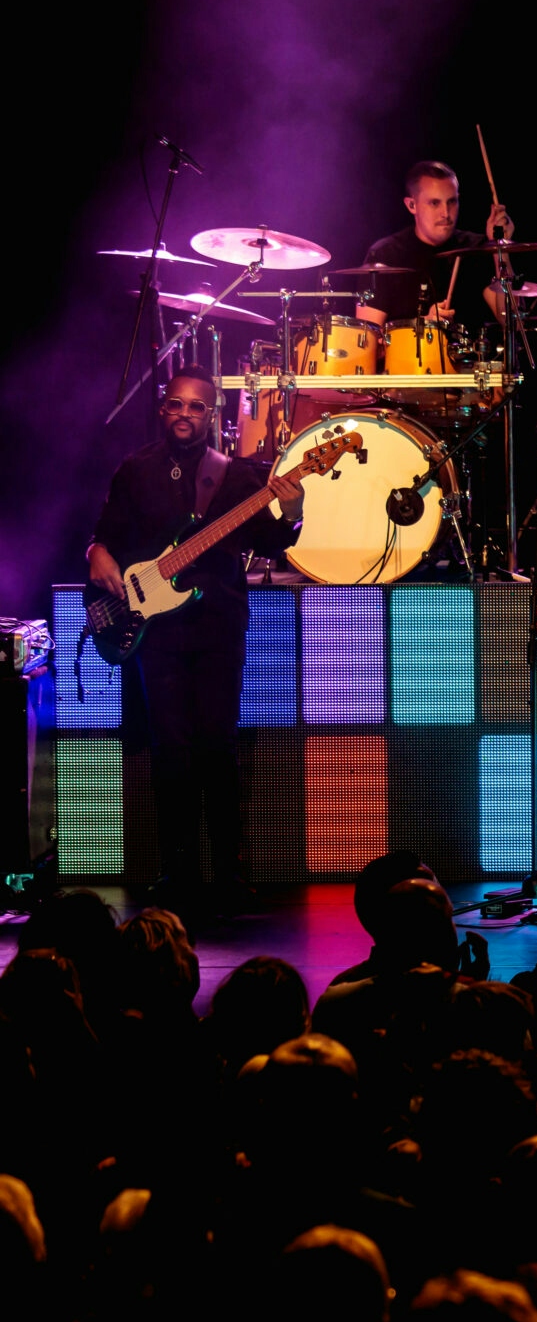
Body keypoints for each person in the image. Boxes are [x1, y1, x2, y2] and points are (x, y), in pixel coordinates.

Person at [86, 368, 302, 904]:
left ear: (213, 413)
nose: (185, 414)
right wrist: (97, 553)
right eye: (176, 404)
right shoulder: (135, 469)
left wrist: (293, 512)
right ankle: (177, 871)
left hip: (217, 627)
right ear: (163, 408)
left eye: (197, 406)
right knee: (170, 750)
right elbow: (104, 536)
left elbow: (271, 542)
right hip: (155, 629)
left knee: (217, 747)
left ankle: (229, 872)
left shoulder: (236, 477)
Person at [352, 160, 515, 339]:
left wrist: (501, 247)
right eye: (435, 203)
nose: (446, 213)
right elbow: (367, 340)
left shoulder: (476, 248)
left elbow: (511, 320)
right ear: (411, 205)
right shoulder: (385, 254)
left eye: (452, 201)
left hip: (472, 357)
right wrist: (423, 326)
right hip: (409, 357)